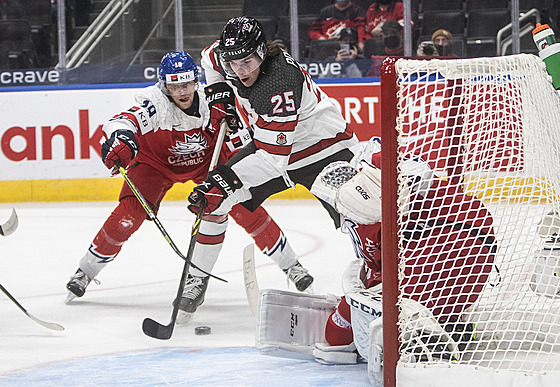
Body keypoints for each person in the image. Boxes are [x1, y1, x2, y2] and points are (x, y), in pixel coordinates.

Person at [65, 51, 315, 317]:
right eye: (174, 85)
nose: (182, 91)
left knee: (244, 204)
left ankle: (292, 266)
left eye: (186, 84)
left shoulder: (214, 101)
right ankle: (86, 271)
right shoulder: (156, 102)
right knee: (129, 214)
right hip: (155, 165)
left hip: (206, 163)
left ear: (196, 81)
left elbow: (243, 140)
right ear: (164, 85)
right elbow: (122, 122)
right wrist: (122, 138)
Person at [189, 16, 359, 309]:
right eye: (234, 64)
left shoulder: (278, 82)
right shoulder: (226, 57)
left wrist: (226, 180)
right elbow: (208, 59)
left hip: (323, 148)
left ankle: (383, 279)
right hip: (272, 142)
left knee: (358, 214)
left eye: (247, 62)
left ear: (261, 52)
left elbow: (272, 161)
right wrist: (217, 94)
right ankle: (197, 279)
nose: (240, 71)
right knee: (214, 202)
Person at [313, 137, 496, 358]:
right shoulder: (365, 214)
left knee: (342, 330)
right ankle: (446, 324)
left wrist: (344, 315)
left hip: (444, 246)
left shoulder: (369, 192)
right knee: (360, 317)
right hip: (476, 248)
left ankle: (427, 339)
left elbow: (338, 338)